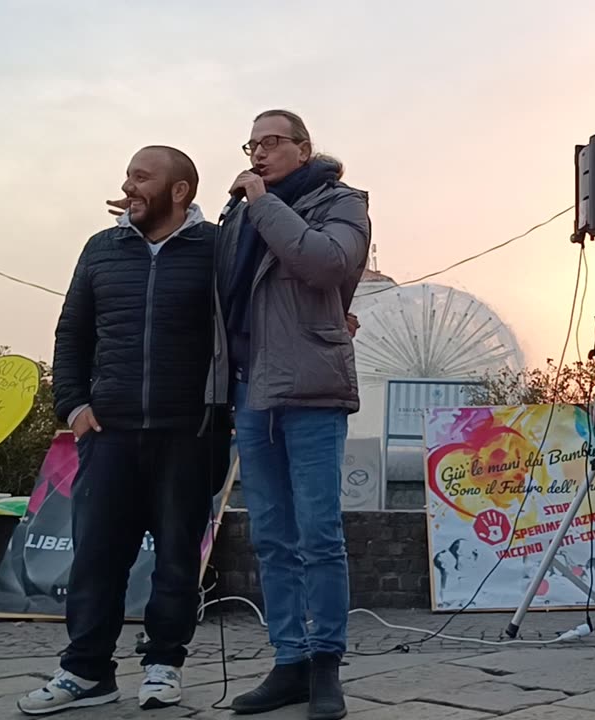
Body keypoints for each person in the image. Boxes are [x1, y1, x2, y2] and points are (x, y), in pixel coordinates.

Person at [19, 145, 218, 715]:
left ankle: (163, 666)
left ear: (179, 191)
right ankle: (85, 672)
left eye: (140, 177)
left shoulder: (216, 249)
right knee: (97, 557)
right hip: (108, 433)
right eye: (128, 176)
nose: (128, 186)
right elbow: (72, 332)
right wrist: (73, 405)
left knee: (179, 559)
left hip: (189, 433)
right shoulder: (101, 249)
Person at [216, 110, 370, 720]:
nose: (258, 152)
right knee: (271, 537)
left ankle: (326, 666)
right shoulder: (239, 213)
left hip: (310, 386)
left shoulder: (342, 202)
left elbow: (326, 263)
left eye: (271, 142)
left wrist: (261, 202)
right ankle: (289, 662)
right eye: (251, 144)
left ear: (303, 150)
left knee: (319, 535)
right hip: (251, 390)